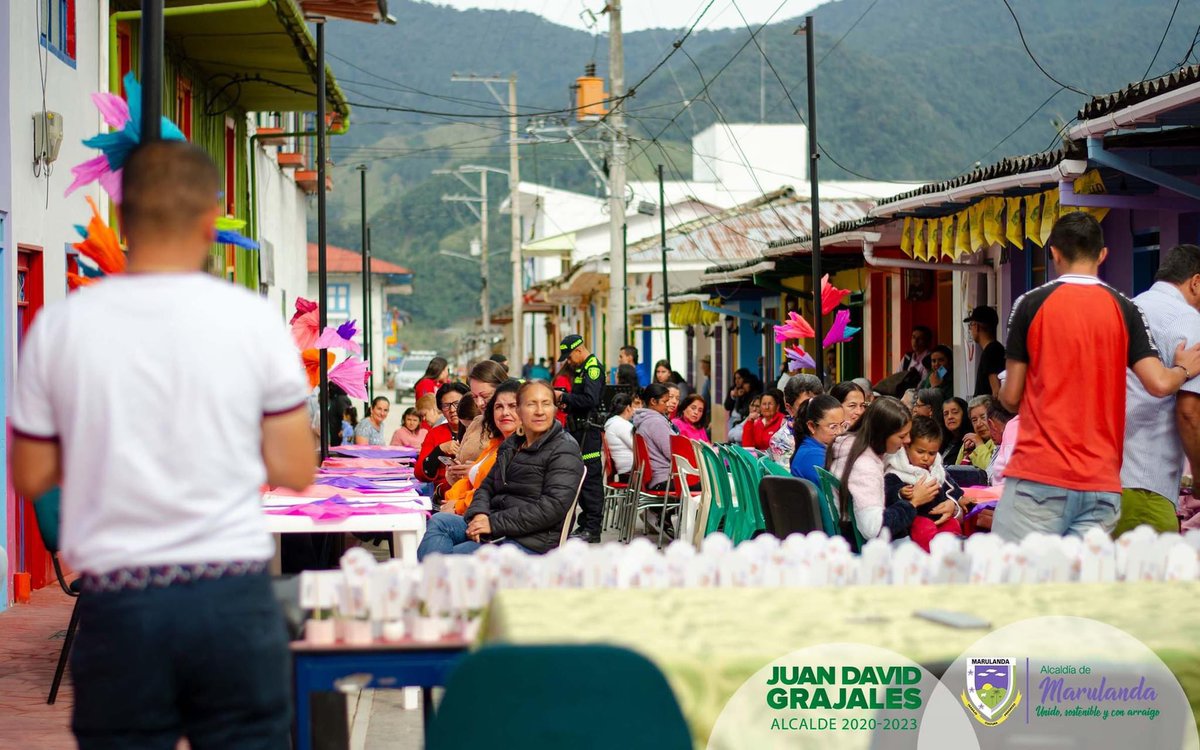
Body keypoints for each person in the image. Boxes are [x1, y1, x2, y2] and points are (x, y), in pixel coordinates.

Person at [11, 141, 315, 747]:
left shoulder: (62, 326)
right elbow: (293, 466)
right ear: (210, 223)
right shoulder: (251, 321)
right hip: (230, 592)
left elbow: (30, 473)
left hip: (120, 602)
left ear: (122, 221)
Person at [995, 212, 1200, 541]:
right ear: (1103, 254)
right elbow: (1160, 384)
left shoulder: (1029, 304)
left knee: (1019, 578)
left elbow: (1010, 398)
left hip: (1041, 476)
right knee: (1087, 584)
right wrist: (1184, 369)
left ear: (1054, 253)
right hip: (1102, 485)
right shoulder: (1125, 308)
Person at [417, 381, 585, 558]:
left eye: (546, 404)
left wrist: (493, 523)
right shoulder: (512, 444)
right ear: (520, 411)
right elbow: (486, 487)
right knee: (439, 521)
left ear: (555, 409)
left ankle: (433, 579)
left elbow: (552, 507)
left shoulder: (564, 448)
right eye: (531, 404)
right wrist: (479, 514)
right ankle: (434, 579)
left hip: (529, 541)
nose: (539, 411)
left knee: (448, 559)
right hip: (497, 527)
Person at [1120, 244, 1200, 536]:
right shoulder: (1187, 319)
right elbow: (1190, 412)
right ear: (1196, 282)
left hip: (1108, 479)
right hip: (1146, 483)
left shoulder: (1130, 307)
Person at [828, 397, 955, 544]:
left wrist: (953, 503)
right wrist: (913, 502)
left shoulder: (853, 447)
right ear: (882, 434)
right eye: (902, 436)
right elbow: (873, 529)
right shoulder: (864, 466)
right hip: (867, 547)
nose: (908, 440)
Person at [440, 379, 522, 516]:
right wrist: (452, 499)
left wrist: (457, 505)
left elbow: (495, 492)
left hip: (491, 517)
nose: (479, 403)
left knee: (440, 522)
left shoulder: (522, 446)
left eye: (512, 406)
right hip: (467, 505)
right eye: (499, 407)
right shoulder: (496, 442)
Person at [884, 416, 965, 551]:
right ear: (907, 446)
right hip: (914, 522)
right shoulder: (897, 471)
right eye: (920, 452)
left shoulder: (936, 470)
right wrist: (900, 493)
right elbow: (888, 492)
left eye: (932, 453)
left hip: (939, 518)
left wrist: (955, 501)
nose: (926, 458)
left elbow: (951, 487)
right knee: (923, 528)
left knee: (952, 525)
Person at [555, 334, 606, 543]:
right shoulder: (581, 369)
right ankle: (585, 523)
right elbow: (580, 400)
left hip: (588, 433)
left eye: (569, 356)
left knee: (590, 478)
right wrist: (566, 403)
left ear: (579, 350)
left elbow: (590, 399)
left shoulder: (593, 368)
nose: (568, 360)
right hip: (578, 430)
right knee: (581, 477)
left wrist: (563, 397)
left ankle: (593, 528)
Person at [454, 359, 509, 476]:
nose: (479, 403)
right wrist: (454, 470)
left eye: (485, 396)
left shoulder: (513, 426)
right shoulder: (477, 422)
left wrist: (476, 472)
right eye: (474, 397)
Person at [416, 381, 470, 496]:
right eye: (446, 405)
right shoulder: (434, 433)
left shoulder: (480, 430)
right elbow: (419, 473)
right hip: (443, 496)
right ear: (440, 409)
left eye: (457, 403)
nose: (452, 409)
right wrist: (439, 450)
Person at [631, 383, 679, 491]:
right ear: (653, 401)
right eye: (665, 401)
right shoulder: (655, 422)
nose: (667, 404)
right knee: (710, 486)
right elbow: (673, 453)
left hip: (657, 479)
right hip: (664, 479)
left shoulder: (644, 420)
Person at [768, 374, 823, 467]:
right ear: (789, 408)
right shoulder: (781, 441)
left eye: (818, 402)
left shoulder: (833, 427)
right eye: (805, 405)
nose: (814, 409)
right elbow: (790, 479)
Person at [790, 395, 845, 484]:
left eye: (842, 425)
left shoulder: (814, 449)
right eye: (833, 427)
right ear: (812, 426)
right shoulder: (812, 456)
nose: (840, 432)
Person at [966, 306, 1005, 397]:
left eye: (970, 325)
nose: (970, 329)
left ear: (976, 326)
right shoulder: (995, 349)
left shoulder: (991, 351)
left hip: (988, 408)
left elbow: (996, 390)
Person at [956, 396, 996, 470]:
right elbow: (956, 472)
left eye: (983, 417)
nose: (978, 424)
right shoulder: (969, 443)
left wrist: (979, 444)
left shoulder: (999, 442)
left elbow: (991, 471)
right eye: (974, 420)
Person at [604, 392, 637, 481]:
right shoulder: (621, 424)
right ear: (628, 408)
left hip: (626, 471)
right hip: (632, 472)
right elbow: (637, 447)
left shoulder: (612, 423)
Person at [940, 396, 970, 464]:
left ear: (965, 414)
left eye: (955, 412)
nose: (950, 417)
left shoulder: (969, 442)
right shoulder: (942, 441)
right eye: (946, 414)